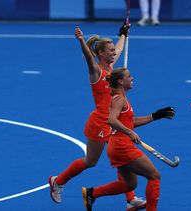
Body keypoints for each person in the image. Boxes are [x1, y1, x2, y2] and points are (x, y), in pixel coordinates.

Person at [48, 24, 147, 211]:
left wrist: (123, 35)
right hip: (100, 123)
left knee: (121, 157)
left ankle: (131, 198)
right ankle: (57, 181)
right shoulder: (97, 72)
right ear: (100, 53)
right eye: (109, 51)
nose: (113, 53)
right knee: (91, 161)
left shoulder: (112, 69)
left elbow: (118, 49)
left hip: (114, 121)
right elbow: (88, 58)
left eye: (113, 51)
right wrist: (81, 41)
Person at [81, 67, 175, 211]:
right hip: (121, 146)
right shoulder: (119, 100)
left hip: (117, 146)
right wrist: (129, 132)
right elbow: (111, 120)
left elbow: (131, 121)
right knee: (154, 176)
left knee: (130, 185)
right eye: (129, 76)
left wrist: (155, 116)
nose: (132, 78)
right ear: (120, 81)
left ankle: (92, 193)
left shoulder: (122, 99)